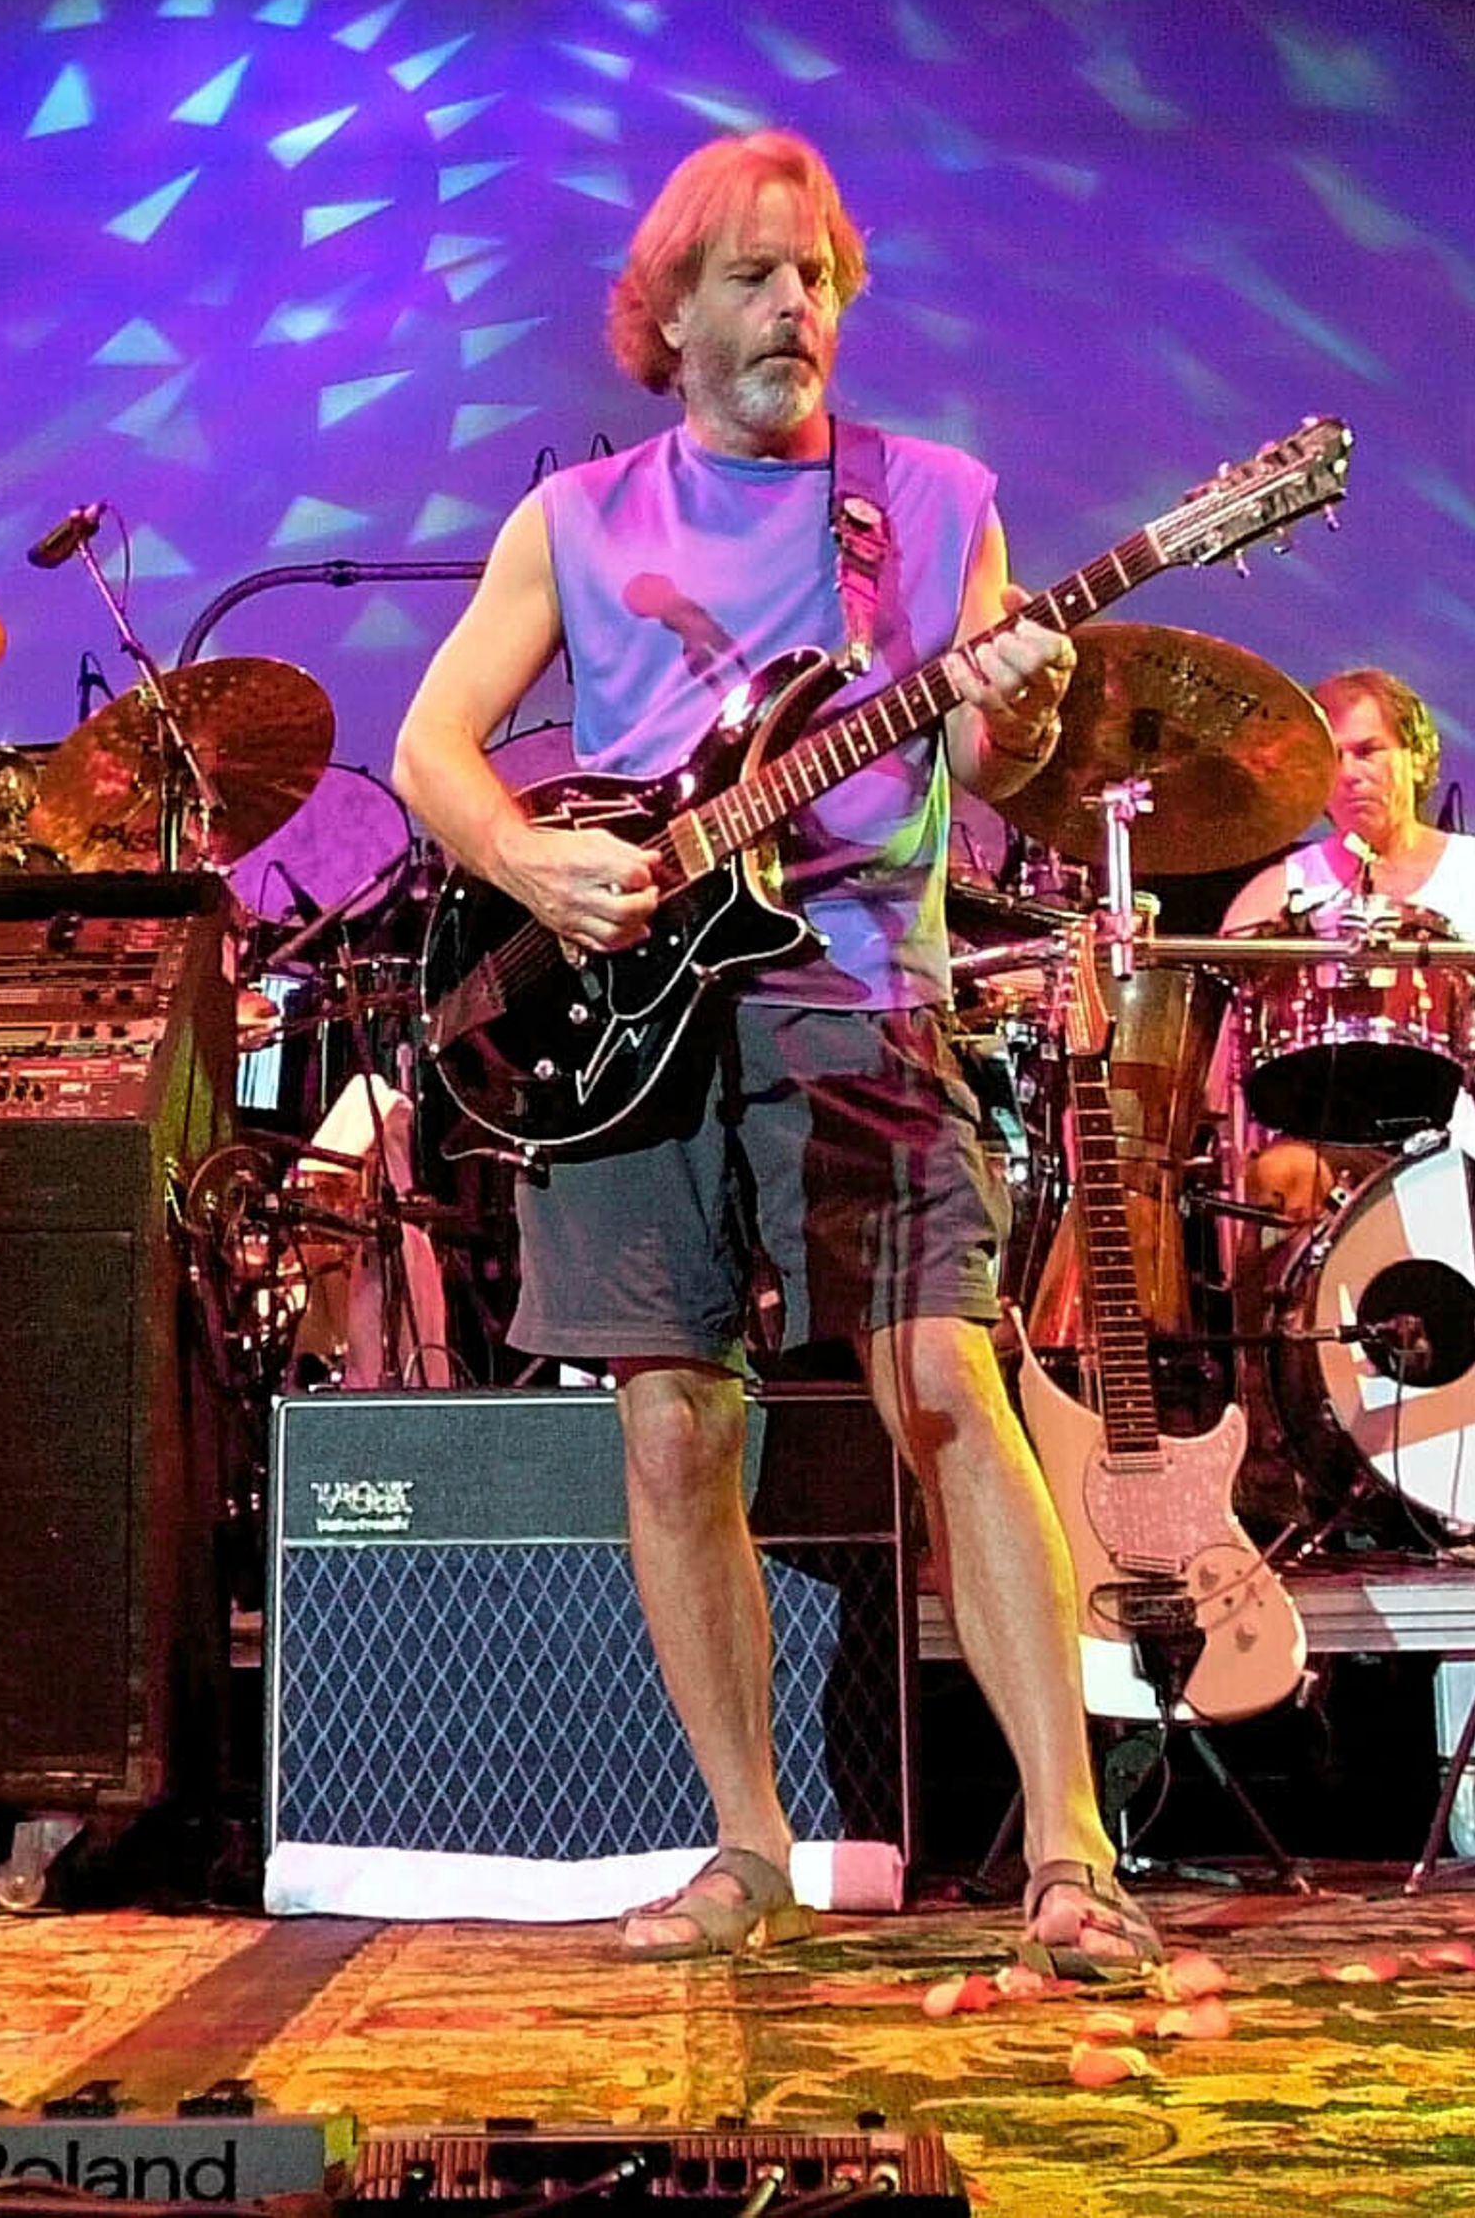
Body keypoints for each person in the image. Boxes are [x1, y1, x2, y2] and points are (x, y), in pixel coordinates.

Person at [390, 131, 1137, 1971]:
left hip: (862, 994)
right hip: (639, 1025)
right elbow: (432, 749)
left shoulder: (936, 501)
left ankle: (1071, 1855)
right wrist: (528, 858)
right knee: (669, 1426)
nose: (796, 304)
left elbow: (1008, 769)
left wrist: (1026, 717)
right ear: (670, 313)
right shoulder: (577, 515)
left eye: (816, 274)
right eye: (754, 276)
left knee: (949, 1383)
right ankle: (746, 1841)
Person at [1215, 668, 1475, 1234]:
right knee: (1280, 1173)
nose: (1352, 774)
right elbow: (1229, 1081)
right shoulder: (1274, 893)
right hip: (1323, 1148)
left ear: (1417, 756)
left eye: (1369, 751)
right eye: (1335, 758)